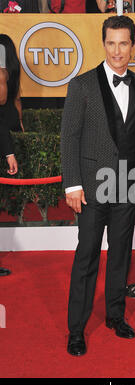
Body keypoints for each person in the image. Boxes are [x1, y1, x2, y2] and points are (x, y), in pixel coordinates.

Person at [60, 15, 135, 356]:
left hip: (126, 184)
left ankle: (115, 315)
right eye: (111, 43)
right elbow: (69, 137)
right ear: (103, 44)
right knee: (87, 256)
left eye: (123, 43)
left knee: (121, 255)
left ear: (133, 47)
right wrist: (72, 186)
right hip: (93, 186)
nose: (116, 50)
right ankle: (76, 329)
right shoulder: (81, 85)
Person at [0, 34, 23, 277]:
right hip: (8, 127)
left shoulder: (5, 73)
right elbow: (14, 100)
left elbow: (5, 97)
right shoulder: (12, 69)